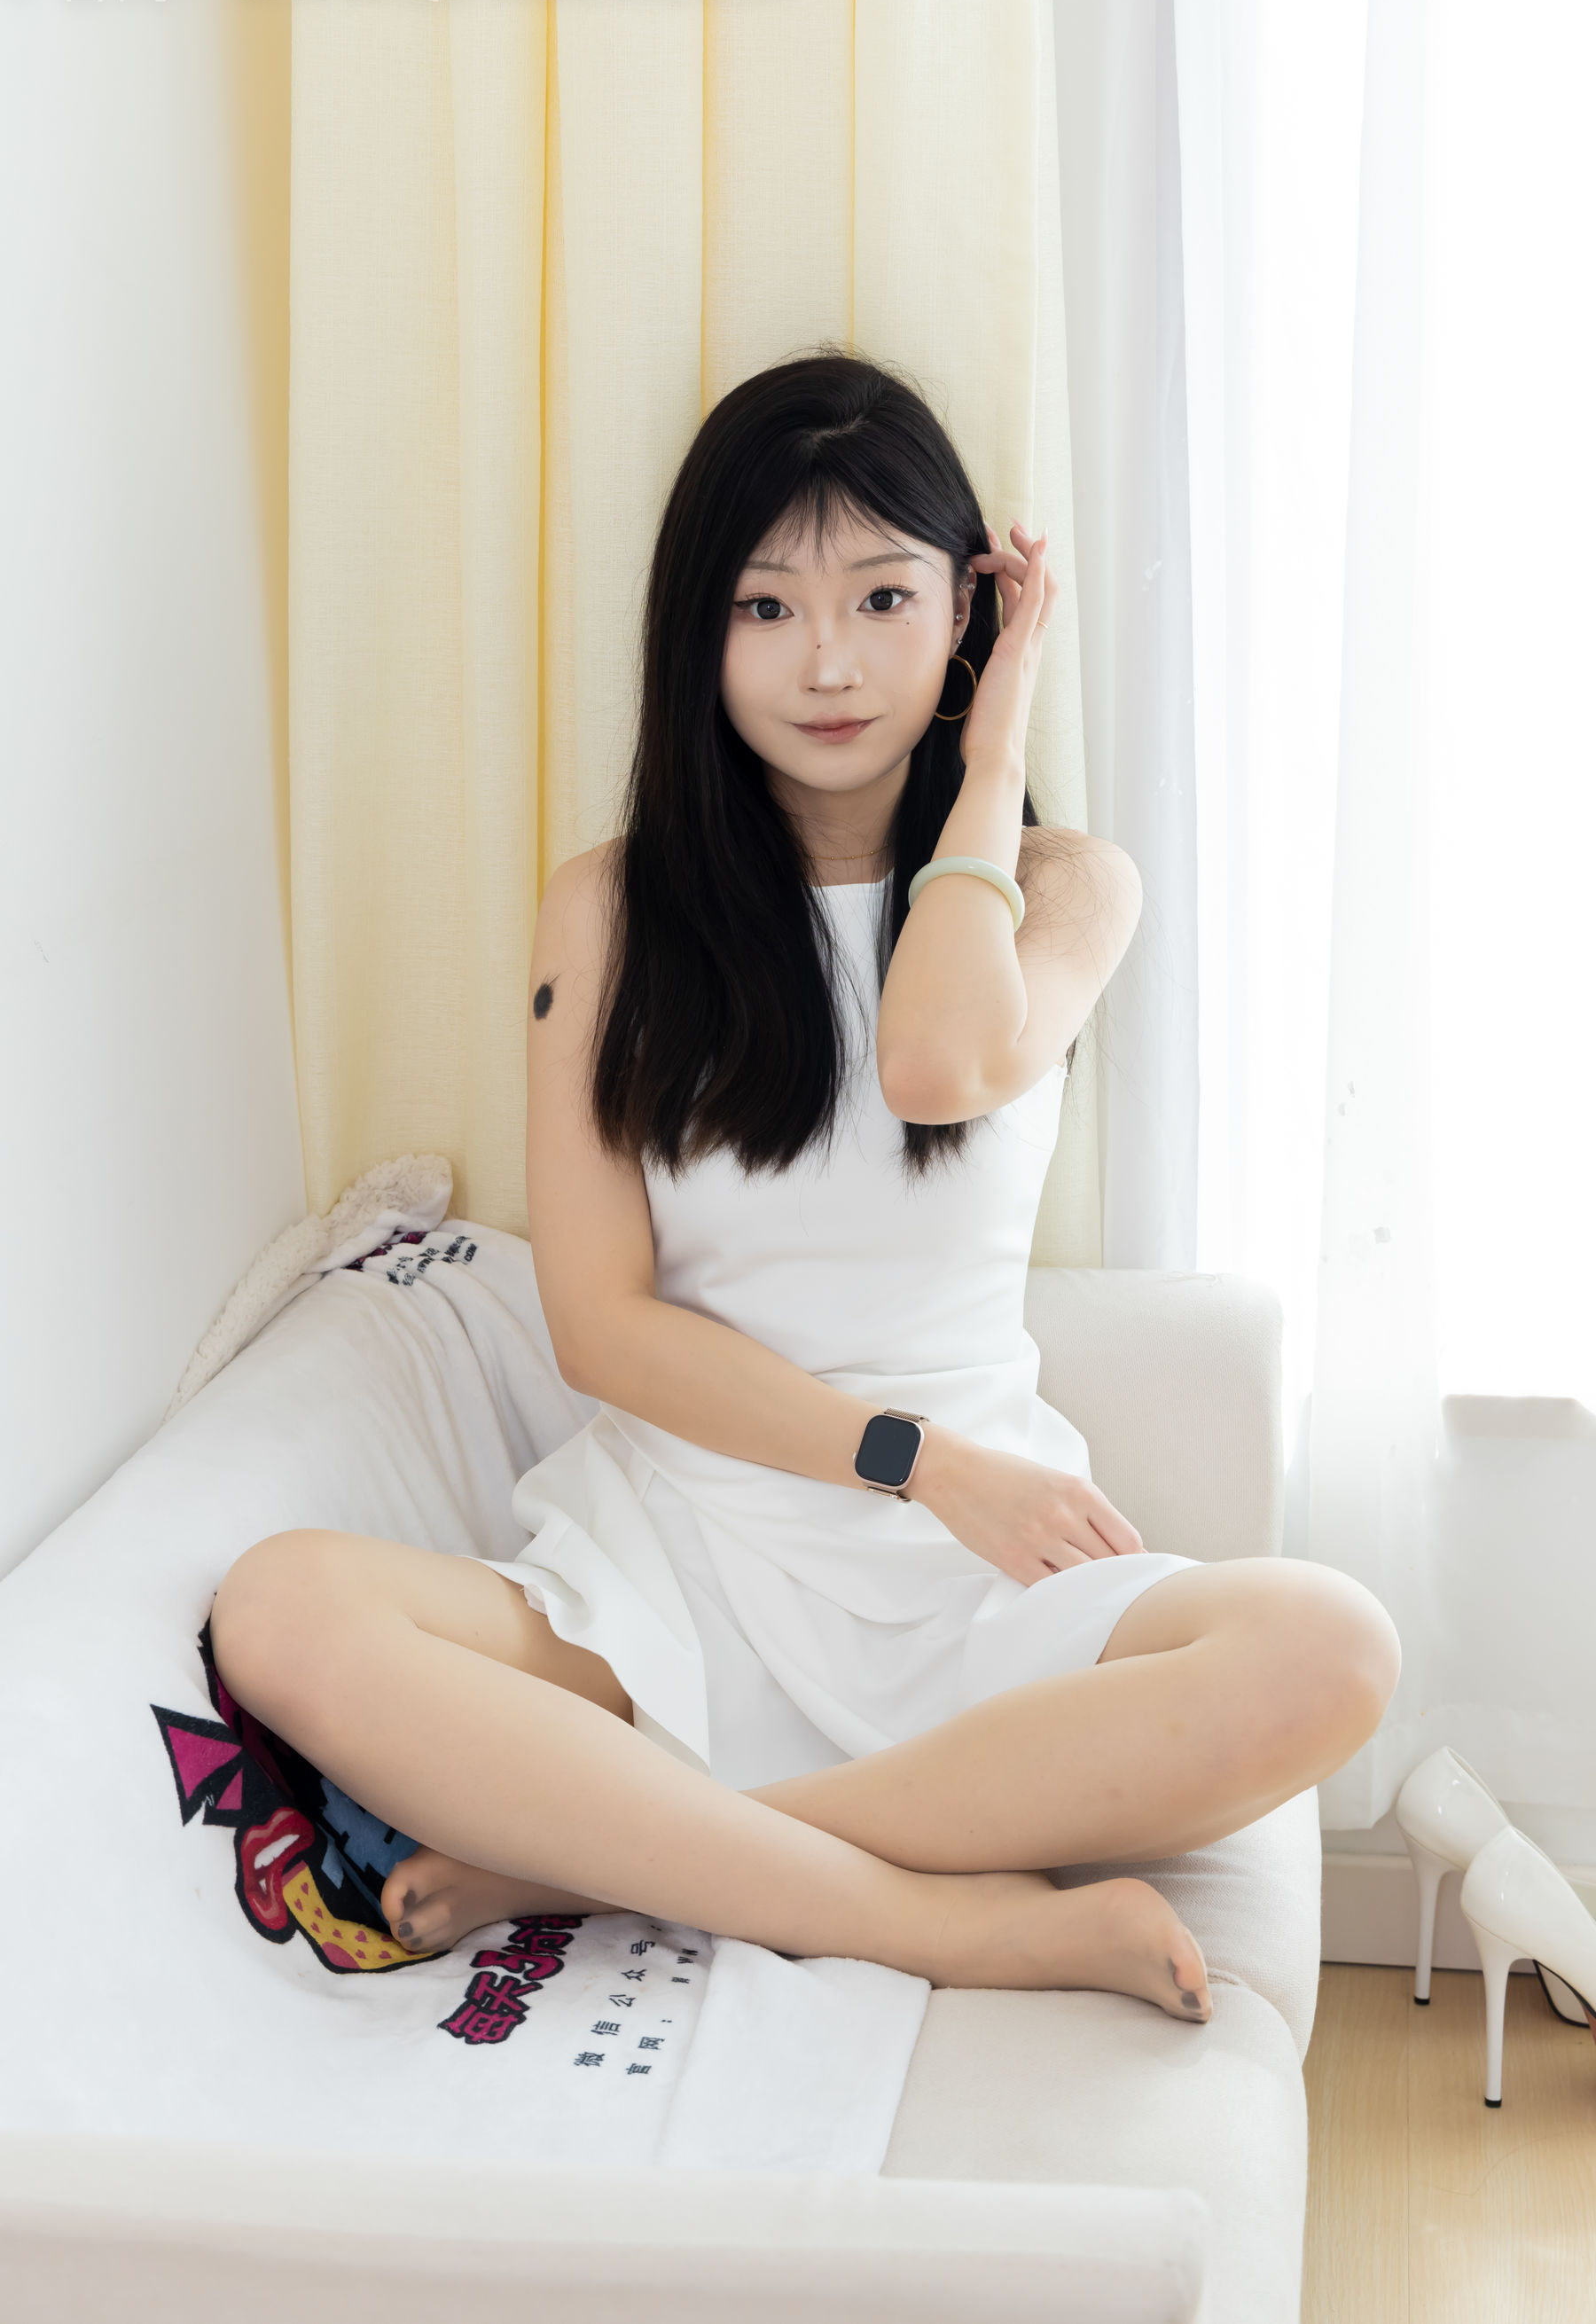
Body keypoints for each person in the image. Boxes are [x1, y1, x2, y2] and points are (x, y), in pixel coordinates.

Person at [210, 351, 1400, 2020]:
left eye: (884, 599)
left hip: (980, 1578)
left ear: (968, 613)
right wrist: (918, 1462)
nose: (827, 663)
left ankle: (603, 1853)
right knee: (282, 1608)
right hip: (685, 1553)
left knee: (1334, 1646)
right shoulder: (608, 912)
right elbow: (602, 1328)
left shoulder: (1063, 885)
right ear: (697, 633)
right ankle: (943, 1918)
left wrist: (994, 745)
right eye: (766, 607)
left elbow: (933, 1062)